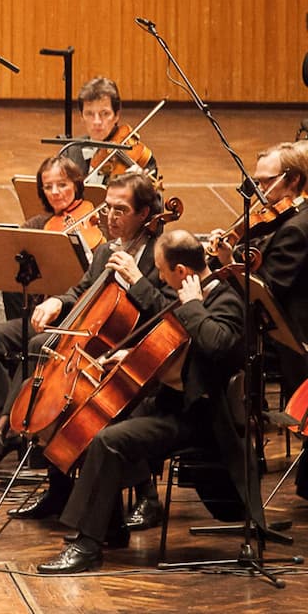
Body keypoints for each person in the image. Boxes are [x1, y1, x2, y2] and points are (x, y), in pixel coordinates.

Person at [35, 229, 252, 574]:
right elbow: (173, 342)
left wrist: (194, 305)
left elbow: (218, 345)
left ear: (181, 271)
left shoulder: (225, 300)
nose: (161, 278)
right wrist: (130, 355)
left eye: (163, 271)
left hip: (199, 417)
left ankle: (87, 546)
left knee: (110, 441)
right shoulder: (184, 294)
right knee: (98, 425)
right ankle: (110, 527)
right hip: (169, 403)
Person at [7, 172, 174, 521]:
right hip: (102, 350)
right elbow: (82, 291)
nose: (110, 217)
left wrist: (137, 280)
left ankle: (147, 494)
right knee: (48, 373)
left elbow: (171, 315)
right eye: (108, 207)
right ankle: (59, 489)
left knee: (105, 405)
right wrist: (58, 301)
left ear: (145, 214)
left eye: (121, 210)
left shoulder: (162, 254)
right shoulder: (106, 250)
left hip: (144, 356)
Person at [209, 141, 308, 498]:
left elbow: (268, 289)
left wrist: (228, 265)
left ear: (294, 180)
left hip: (290, 338)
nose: (259, 192)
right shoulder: (287, 218)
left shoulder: (297, 228)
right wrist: (230, 255)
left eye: (266, 183)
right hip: (275, 326)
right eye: (256, 182)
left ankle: (223, 450)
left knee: (215, 348)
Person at [0, 154, 92, 417]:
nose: (55, 192)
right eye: (48, 186)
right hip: (40, 317)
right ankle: (5, 413)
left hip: (74, 321)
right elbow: (13, 259)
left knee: (38, 344)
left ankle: (6, 425)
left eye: (62, 184)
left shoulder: (94, 222)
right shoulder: (38, 225)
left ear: (76, 184)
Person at [64, 76, 160, 184]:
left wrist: (140, 190)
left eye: (105, 113)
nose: (97, 121)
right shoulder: (71, 151)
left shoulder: (139, 157)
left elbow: (157, 200)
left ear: (116, 115)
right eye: (89, 114)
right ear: (81, 116)